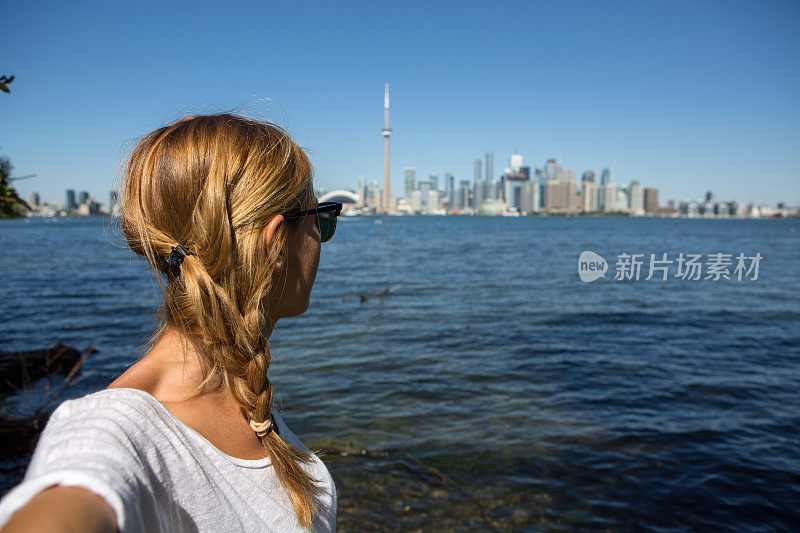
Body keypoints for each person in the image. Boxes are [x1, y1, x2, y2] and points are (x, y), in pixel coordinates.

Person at [0, 114, 343, 532]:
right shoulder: (112, 431)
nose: (324, 238)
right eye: (322, 220)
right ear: (275, 243)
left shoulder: (238, 391)